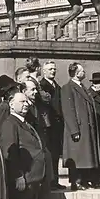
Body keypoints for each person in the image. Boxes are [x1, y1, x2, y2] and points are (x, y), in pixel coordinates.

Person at [0, 91, 46, 199]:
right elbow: (9, 153)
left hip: (33, 180)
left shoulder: (25, 123)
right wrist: (18, 176)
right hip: (23, 180)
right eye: (22, 101)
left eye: (27, 101)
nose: (26, 104)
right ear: (11, 104)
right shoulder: (10, 124)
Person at [61, 62, 100, 191]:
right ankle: (76, 181)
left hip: (86, 127)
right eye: (82, 71)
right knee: (77, 156)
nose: (84, 73)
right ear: (76, 73)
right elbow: (68, 110)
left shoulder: (82, 87)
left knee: (84, 156)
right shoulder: (68, 88)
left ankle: (83, 180)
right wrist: (74, 129)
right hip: (78, 128)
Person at [40, 61, 66, 190]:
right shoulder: (42, 86)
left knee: (55, 154)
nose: (53, 71)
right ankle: (49, 181)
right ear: (44, 71)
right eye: (50, 69)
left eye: (54, 69)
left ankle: (55, 180)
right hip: (47, 125)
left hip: (57, 126)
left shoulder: (57, 87)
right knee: (49, 153)